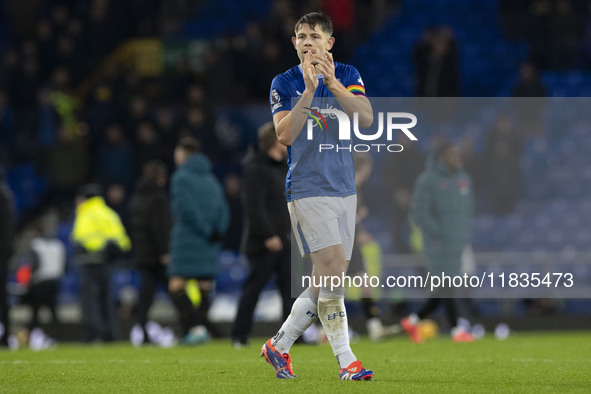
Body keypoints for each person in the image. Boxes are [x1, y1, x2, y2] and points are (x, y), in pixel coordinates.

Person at [261, 12, 374, 380]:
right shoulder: (285, 82)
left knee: (326, 278)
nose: (307, 41)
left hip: (344, 188)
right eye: (301, 36)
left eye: (314, 35)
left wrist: (332, 84)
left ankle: (278, 345)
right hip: (307, 188)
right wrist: (309, 91)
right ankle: (347, 361)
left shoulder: (349, 74)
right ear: (294, 43)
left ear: (329, 43)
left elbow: (366, 118)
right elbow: (284, 135)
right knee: (336, 270)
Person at [401, 142, 475, 343]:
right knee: (447, 286)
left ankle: (413, 320)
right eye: (452, 154)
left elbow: (468, 211)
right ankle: (455, 330)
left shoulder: (464, 180)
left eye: (458, 154)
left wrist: (461, 235)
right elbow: (419, 213)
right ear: (441, 156)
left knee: (444, 288)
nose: (457, 158)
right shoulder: (427, 181)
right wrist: (439, 234)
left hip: (458, 244)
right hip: (437, 245)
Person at [231, 122, 292, 348]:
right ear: (274, 141)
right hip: (263, 243)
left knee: (290, 294)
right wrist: (268, 235)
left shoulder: (284, 167)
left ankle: (291, 338)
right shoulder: (255, 168)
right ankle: (239, 335)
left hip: (285, 240)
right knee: (253, 291)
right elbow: (253, 207)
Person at [167, 137, 229, 345]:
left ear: (184, 154)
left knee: (176, 284)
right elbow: (223, 208)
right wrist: (217, 231)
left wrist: (203, 229)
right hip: (210, 241)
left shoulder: (180, 178)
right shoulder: (211, 178)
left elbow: (186, 209)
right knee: (204, 285)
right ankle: (202, 330)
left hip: (188, 239)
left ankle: (196, 328)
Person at [72, 183, 131, 342]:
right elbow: (124, 242)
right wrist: (109, 250)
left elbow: (80, 238)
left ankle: (93, 335)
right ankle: (110, 335)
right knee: (107, 299)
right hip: (107, 264)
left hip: (89, 263)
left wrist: (96, 248)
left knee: (90, 301)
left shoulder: (85, 212)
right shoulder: (109, 213)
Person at [128, 160, 171, 344]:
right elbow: (158, 228)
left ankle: (143, 332)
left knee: (146, 297)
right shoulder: (158, 198)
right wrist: (164, 251)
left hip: (142, 255)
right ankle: (193, 327)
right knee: (176, 292)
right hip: (158, 256)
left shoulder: (136, 198)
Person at [0, 166, 16, 347]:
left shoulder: (2, 195)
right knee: (2, 295)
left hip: (1, 251)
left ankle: (5, 335)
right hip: (4, 250)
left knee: (2, 295)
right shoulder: (6, 194)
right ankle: (6, 334)